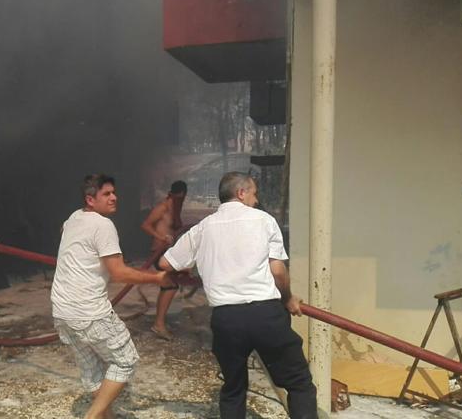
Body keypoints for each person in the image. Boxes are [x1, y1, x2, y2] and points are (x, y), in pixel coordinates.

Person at [158, 172, 317, 419]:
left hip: (226, 319)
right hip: (266, 315)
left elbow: (165, 263)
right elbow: (278, 271)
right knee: (299, 383)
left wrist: (195, 262)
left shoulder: (203, 228)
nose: (256, 199)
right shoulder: (264, 220)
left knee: (233, 388)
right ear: (241, 193)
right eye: (254, 193)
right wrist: (288, 299)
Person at [51, 174, 175, 419]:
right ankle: (92, 416)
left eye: (114, 192)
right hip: (89, 311)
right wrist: (157, 278)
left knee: (92, 368)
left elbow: (67, 234)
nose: (114, 197)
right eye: (106, 194)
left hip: (62, 311)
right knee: (125, 361)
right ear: (90, 199)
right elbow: (119, 273)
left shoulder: (73, 218)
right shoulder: (103, 225)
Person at [140, 180, 186, 340]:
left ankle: (159, 323)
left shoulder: (176, 208)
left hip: (169, 252)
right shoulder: (163, 207)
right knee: (170, 285)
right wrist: (161, 237)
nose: (180, 199)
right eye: (178, 197)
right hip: (159, 252)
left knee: (169, 285)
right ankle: (158, 325)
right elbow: (145, 225)